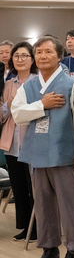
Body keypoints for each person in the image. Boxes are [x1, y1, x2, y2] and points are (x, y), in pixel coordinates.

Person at [12, 36, 74, 258]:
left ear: (59, 56)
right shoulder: (29, 86)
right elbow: (17, 114)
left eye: (47, 52)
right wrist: (42, 104)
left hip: (63, 151)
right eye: (38, 52)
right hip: (36, 152)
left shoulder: (70, 83)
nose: (42, 56)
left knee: (70, 203)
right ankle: (49, 248)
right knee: (43, 203)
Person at [0, 42, 38, 242]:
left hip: (32, 141)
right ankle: (25, 226)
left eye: (24, 55)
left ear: (32, 59)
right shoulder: (8, 84)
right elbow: (2, 114)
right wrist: (8, 104)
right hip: (12, 142)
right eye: (17, 56)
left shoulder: (38, 82)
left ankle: (39, 227)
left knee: (34, 188)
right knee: (19, 187)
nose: (20, 59)